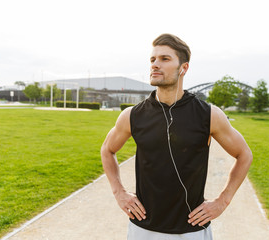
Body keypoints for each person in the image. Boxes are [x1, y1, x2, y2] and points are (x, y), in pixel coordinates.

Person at [101, 33, 253, 240]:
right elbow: (107, 150)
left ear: (184, 68)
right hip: (143, 228)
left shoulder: (209, 115)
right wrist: (119, 192)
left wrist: (222, 201)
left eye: (165, 59)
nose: (155, 64)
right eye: (153, 59)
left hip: (192, 229)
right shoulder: (132, 115)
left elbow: (244, 154)